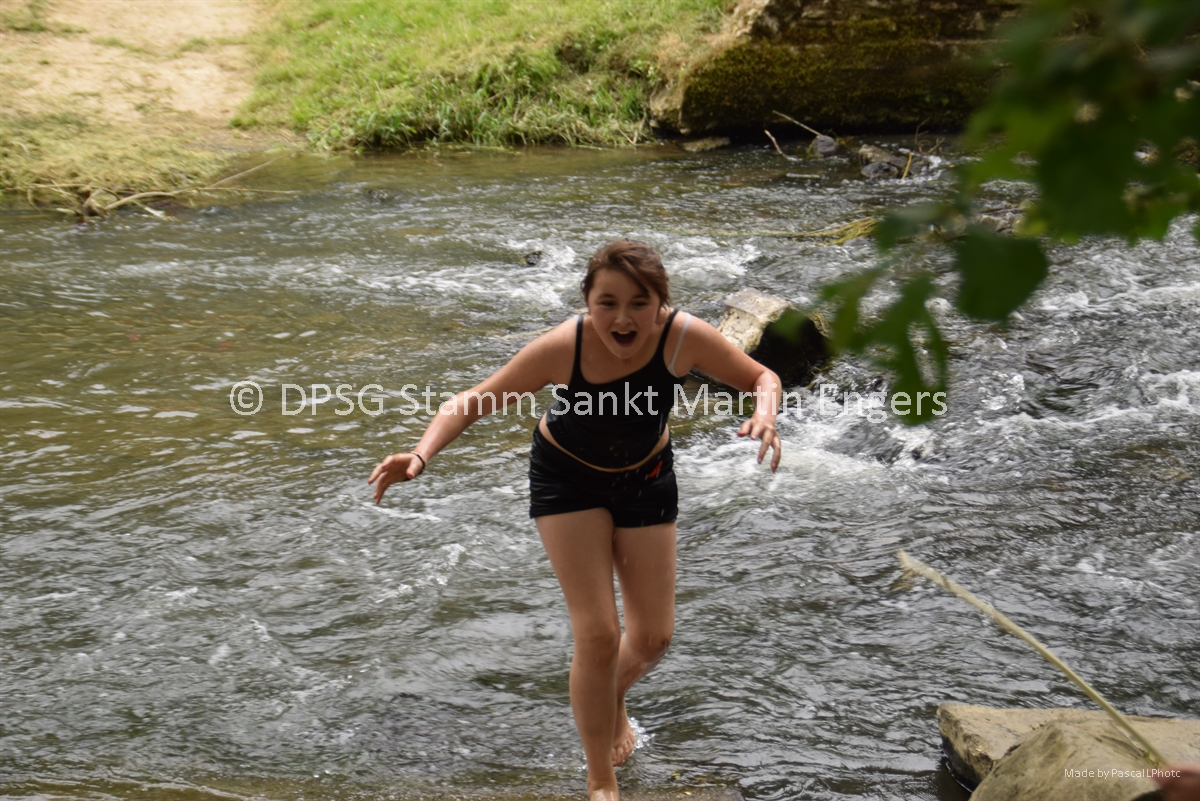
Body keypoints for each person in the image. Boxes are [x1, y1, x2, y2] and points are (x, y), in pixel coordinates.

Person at [369, 240, 782, 800]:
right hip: (567, 479)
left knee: (653, 638)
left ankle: (607, 698)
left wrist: (765, 413)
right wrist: (420, 455)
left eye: (639, 303)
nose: (623, 318)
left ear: (661, 304)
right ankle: (600, 780)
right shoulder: (567, 345)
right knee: (599, 633)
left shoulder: (684, 337)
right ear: (587, 302)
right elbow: (474, 399)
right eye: (607, 303)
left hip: (646, 478)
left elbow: (762, 377)